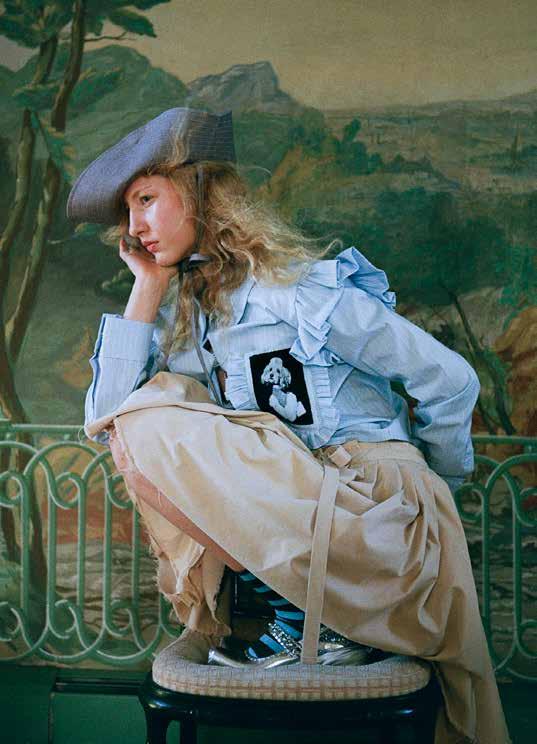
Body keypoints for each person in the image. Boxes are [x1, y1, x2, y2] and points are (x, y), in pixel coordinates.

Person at [69, 108, 510, 743]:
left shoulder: (298, 294)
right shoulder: (198, 320)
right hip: (310, 516)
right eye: (127, 212)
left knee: (155, 417)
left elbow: (451, 379)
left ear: (199, 192)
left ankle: (322, 621)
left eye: (145, 200)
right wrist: (148, 286)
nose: (135, 228)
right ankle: (299, 609)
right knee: (146, 419)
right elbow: (109, 418)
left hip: (374, 515)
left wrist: (437, 489)